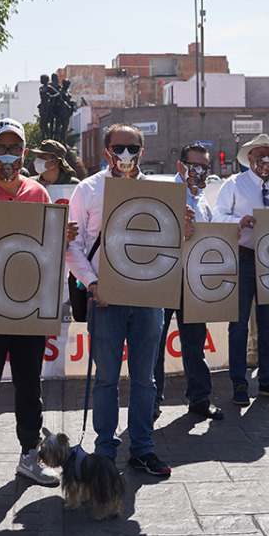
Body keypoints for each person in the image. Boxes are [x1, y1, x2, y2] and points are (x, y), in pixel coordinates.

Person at [65, 123, 189, 478]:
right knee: (106, 378)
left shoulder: (159, 192)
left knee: (145, 379)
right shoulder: (87, 190)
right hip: (105, 300)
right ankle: (105, 449)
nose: (125, 155)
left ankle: (142, 449)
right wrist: (92, 284)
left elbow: (170, 244)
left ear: (142, 153)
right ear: (106, 152)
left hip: (149, 299)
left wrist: (186, 230)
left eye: (132, 148)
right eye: (118, 148)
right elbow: (72, 245)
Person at [0, 118, 72, 493]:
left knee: (30, 387)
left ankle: (29, 456)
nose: (8, 155)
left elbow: (45, 251)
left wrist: (63, 235)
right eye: (0, 148)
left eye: (14, 147)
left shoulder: (38, 193)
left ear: (24, 152)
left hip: (28, 309)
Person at [214, 134, 269, 402]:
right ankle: (239, 384)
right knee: (239, 324)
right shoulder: (234, 184)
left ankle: (267, 380)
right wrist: (239, 222)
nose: (266, 160)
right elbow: (218, 216)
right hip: (243, 258)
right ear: (249, 158)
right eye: (261, 155)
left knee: (268, 324)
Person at [155, 143, 224, 420]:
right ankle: (152, 401)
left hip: (192, 280)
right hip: (164, 278)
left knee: (195, 342)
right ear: (180, 165)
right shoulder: (164, 194)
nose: (200, 171)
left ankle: (199, 398)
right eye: (194, 166)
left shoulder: (202, 197)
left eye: (205, 167)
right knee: (155, 343)